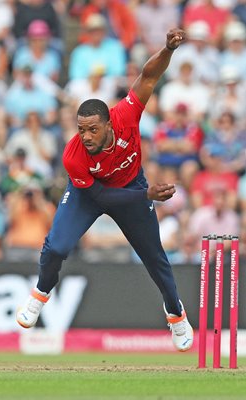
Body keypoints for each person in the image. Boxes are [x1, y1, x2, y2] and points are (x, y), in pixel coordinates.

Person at [17, 28, 194, 352]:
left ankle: (175, 313)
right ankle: (41, 293)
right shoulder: (74, 156)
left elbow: (148, 76)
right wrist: (146, 196)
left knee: (155, 258)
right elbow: (100, 198)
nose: (86, 136)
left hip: (131, 186)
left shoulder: (126, 114)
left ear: (109, 125)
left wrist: (168, 49)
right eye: (81, 129)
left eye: (93, 130)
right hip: (91, 193)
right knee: (56, 248)